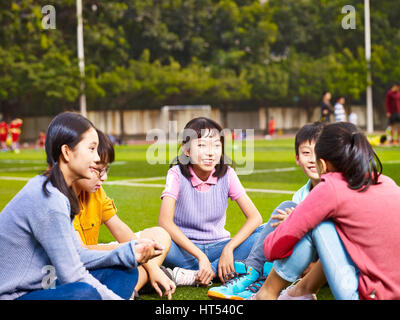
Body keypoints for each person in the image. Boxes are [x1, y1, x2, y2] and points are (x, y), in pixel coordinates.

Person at [0, 111, 161, 300]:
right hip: (17, 294)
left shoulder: (58, 191)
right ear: (67, 152)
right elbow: (73, 275)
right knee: (83, 293)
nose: (95, 158)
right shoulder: (48, 199)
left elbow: (77, 254)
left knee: (125, 270)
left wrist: (127, 252)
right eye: (91, 149)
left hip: (44, 283)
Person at [253, 122, 400, 300]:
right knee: (335, 226)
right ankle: (300, 293)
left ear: (322, 164)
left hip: (370, 295)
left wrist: (294, 221)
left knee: (319, 223)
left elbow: (272, 249)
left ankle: (266, 294)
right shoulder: (386, 182)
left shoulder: (331, 187)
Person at [207, 122, 325, 300]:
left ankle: (258, 278)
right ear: (297, 158)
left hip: (327, 259)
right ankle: (255, 276)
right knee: (278, 217)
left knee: (285, 211)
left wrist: (299, 222)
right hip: (306, 255)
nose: (312, 159)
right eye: (306, 153)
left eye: (318, 152)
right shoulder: (300, 195)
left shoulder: (336, 189)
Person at [158, 117, 264, 287]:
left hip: (219, 248)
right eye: (201, 145)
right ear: (186, 150)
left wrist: (229, 249)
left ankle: (198, 274)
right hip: (184, 251)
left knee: (266, 231)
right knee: (156, 237)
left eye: (216, 145)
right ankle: (211, 270)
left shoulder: (227, 174)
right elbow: (164, 222)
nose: (210, 152)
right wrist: (200, 256)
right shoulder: (176, 174)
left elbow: (255, 218)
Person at [72, 129, 176, 299]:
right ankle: (141, 281)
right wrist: (130, 251)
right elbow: (79, 253)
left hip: (96, 258)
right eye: (98, 170)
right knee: (131, 258)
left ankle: (138, 283)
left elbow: (120, 230)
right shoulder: (61, 199)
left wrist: (150, 265)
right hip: (81, 265)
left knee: (159, 234)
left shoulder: (95, 192)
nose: (103, 177)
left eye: (106, 169)